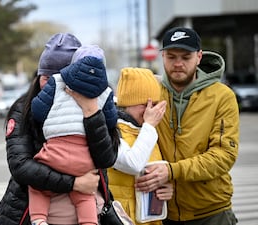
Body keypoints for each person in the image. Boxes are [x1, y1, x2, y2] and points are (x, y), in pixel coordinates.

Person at [0, 33, 120, 225]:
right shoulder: (24, 109)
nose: (52, 84)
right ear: (38, 76)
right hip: (31, 211)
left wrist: (91, 113)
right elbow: (21, 166)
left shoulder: (99, 103)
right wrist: (74, 183)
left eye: (59, 77)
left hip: (86, 211)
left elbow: (107, 158)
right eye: (46, 77)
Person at [134, 27, 239, 225]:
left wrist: (172, 172)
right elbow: (136, 145)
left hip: (212, 212)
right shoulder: (152, 94)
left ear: (199, 56)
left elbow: (224, 156)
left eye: (186, 57)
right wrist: (162, 181)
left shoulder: (222, 96)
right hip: (165, 212)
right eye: (171, 57)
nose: (178, 64)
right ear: (162, 56)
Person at [29, 45, 117, 225]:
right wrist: (94, 112)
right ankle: (90, 222)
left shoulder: (57, 83)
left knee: (38, 187)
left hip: (54, 155)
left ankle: (38, 219)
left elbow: (37, 110)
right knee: (85, 196)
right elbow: (110, 122)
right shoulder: (106, 92)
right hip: (84, 161)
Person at [108, 67, 173, 225]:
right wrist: (149, 126)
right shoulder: (111, 130)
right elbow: (133, 164)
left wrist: (166, 189)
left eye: (155, 104)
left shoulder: (146, 131)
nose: (151, 110)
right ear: (128, 103)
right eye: (146, 104)